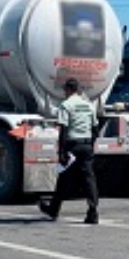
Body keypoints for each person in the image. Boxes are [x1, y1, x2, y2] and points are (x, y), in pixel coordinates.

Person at [39, 78, 100, 224]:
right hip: (86, 146)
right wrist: (91, 145)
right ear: (78, 90)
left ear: (68, 90)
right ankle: (93, 212)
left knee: (63, 179)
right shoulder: (88, 105)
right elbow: (95, 129)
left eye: (65, 90)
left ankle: (53, 210)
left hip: (72, 146)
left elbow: (63, 129)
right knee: (89, 180)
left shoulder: (66, 105)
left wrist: (61, 152)